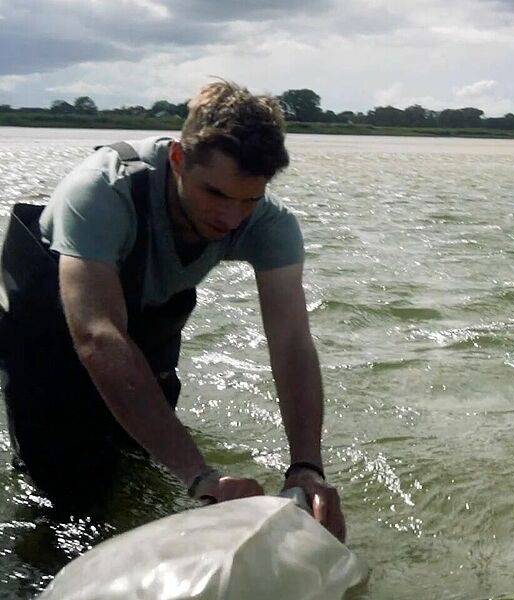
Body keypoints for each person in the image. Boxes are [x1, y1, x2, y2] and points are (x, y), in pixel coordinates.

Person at [0, 80, 345, 542]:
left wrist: (307, 466)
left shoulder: (268, 223)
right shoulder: (102, 191)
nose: (231, 218)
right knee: (66, 504)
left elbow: (291, 342)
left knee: (141, 470)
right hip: (51, 332)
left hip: (142, 332)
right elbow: (98, 335)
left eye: (250, 199)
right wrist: (202, 477)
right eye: (217, 195)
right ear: (180, 160)